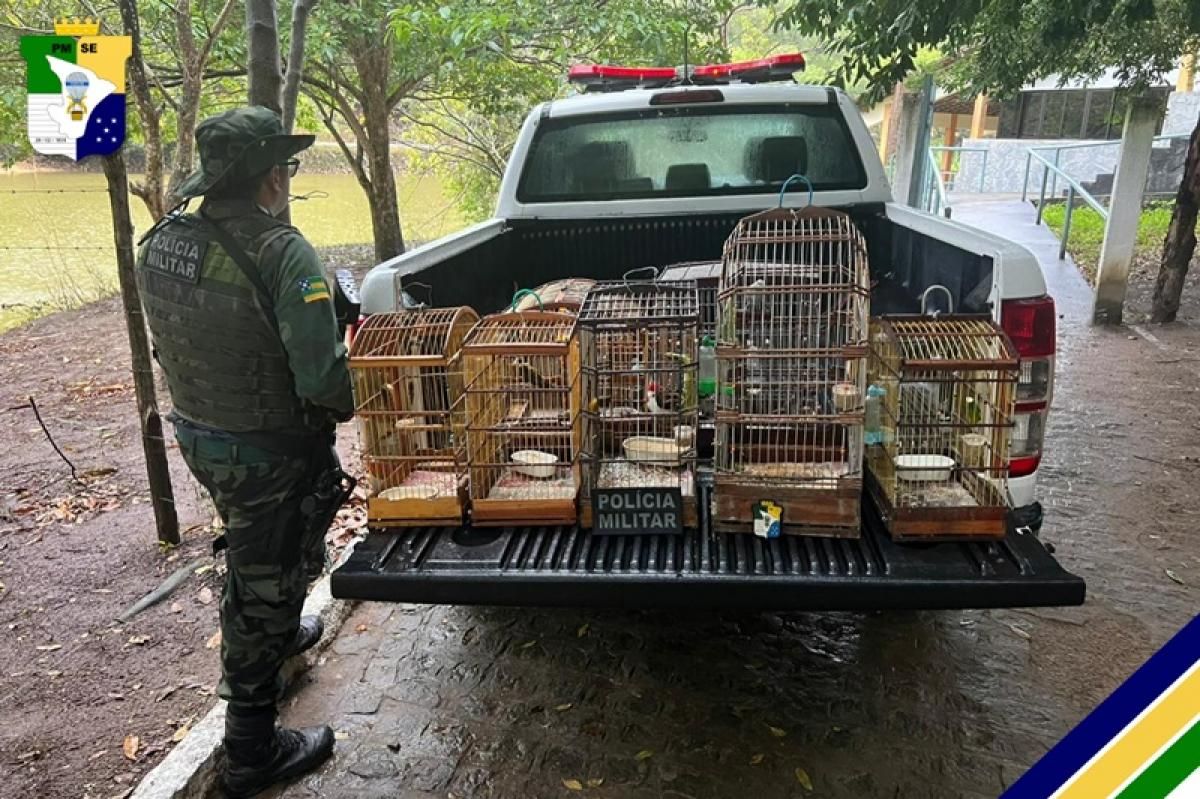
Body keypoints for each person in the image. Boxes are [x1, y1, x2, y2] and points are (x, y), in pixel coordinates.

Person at [135, 106, 354, 798]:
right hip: (271, 447)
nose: (286, 180)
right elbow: (323, 380)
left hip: (202, 435)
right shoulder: (282, 251)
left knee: (260, 550)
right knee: (266, 575)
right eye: (284, 168)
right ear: (265, 176)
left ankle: (284, 626)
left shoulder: (160, 242)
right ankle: (252, 748)